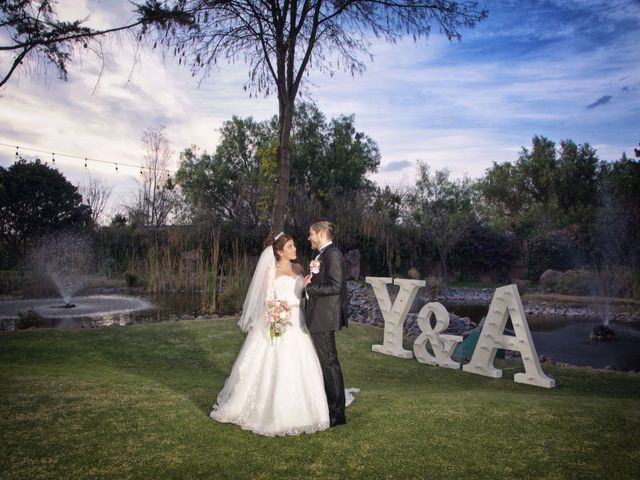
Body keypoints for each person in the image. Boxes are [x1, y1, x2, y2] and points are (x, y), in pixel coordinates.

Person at [210, 232, 330, 436]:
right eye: (290, 246)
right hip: (280, 322)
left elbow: (303, 294)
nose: (295, 249)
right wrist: (276, 315)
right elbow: (266, 301)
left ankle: (312, 410)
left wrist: (309, 283)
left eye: (294, 246)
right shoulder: (271, 271)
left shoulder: (299, 269)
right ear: (279, 251)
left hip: (299, 322)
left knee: (303, 363)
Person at [304, 220, 348, 427]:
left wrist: (309, 289)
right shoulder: (322, 255)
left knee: (330, 364)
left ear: (321, 233)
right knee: (326, 364)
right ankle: (330, 408)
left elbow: (336, 286)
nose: (309, 238)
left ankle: (337, 415)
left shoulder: (333, 255)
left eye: (311, 234)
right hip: (319, 316)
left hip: (324, 317)